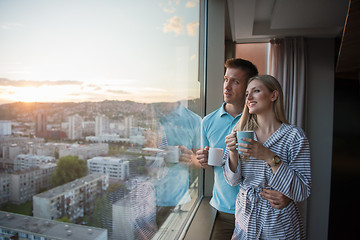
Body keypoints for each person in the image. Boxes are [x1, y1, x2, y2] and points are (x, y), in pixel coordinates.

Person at [196, 59, 290, 240]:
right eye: (226, 79)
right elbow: (212, 166)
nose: (227, 86)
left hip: (260, 212)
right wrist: (203, 159)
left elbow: (279, 169)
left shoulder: (263, 122)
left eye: (235, 81)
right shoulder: (207, 122)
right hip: (223, 210)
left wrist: (288, 195)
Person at [223, 75, 311, 239]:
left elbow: (301, 191)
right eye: (247, 93)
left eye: (256, 91)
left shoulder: (294, 136)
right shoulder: (239, 131)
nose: (248, 97)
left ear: (273, 95)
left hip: (278, 226)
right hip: (245, 222)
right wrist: (233, 153)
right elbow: (232, 181)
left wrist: (269, 157)